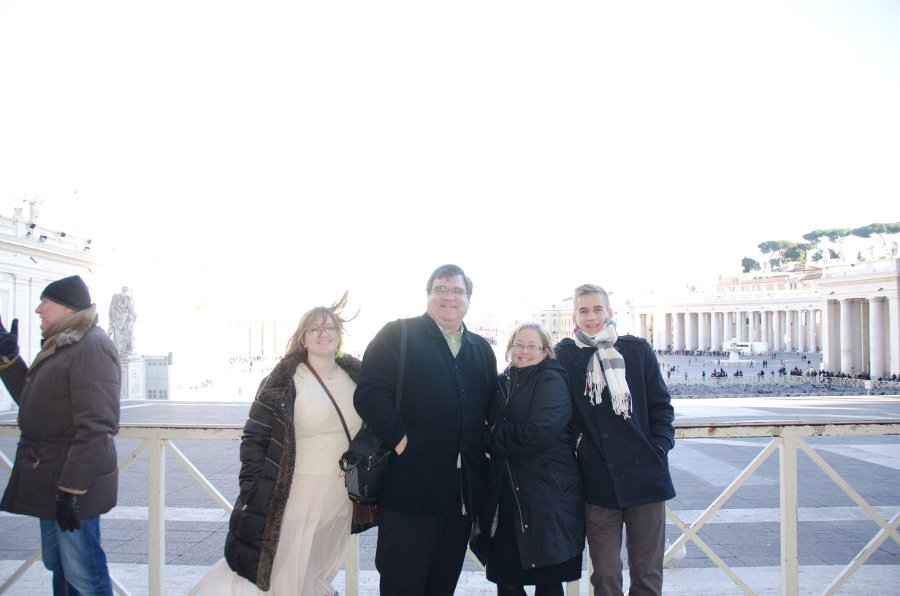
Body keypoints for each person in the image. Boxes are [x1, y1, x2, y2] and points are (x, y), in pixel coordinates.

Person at [192, 293, 362, 595]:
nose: (322, 334)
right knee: (283, 570)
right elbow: (254, 438)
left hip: (339, 495)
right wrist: (250, 490)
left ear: (339, 334)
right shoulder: (284, 381)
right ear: (303, 338)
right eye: (314, 329)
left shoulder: (356, 376)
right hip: (296, 492)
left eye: (329, 327)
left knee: (317, 570)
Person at [353, 264, 498, 596]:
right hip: (411, 489)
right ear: (428, 295)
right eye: (441, 289)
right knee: (402, 583)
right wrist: (402, 442)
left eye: (457, 290)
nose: (449, 297)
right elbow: (370, 394)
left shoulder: (480, 349)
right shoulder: (398, 334)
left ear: (469, 299)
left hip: (460, 497)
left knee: (442, 585)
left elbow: (490, 409)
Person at [0, 275, 121, 595]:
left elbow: (97, 427)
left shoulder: (91, 347)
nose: (39, 310)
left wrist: (71, 490)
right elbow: (36, 404)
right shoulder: (65, 343)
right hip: (53, 477)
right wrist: (9, 360)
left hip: (71, 483)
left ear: (68, 308)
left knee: (84, 574)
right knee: (62, 567)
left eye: (46, 302)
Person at [554, 284, 676, 596]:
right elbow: (556, 412)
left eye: (597, 309)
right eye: (583, 310)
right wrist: (579, 446)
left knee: (647, 574)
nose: (591, 317)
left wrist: (659, 447)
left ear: (610, 312)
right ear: (575, 316)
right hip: (597, 479)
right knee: (605, 575)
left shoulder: (637, 350)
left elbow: (661, 406)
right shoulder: (565, 356)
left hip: (646, 476)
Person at [479, 322, 584, 596]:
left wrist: (490, 435)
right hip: (507, 496)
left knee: (547, 582)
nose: (524, 351)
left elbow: (537, 433)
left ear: (545, 351)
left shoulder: (552, 380)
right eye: (519, 345)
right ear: (510, 348)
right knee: (507, 580)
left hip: (546, 496)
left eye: (532, 346)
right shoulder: (502, 382)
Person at [108, 286, 137, 355]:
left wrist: (111, 317)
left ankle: (118, 350)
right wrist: (135, 316)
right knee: (126, 336)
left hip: (117, 318)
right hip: (125, 319)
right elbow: (131, 309)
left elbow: (111, 308)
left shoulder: (115, 296)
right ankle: (124, 351)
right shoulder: (128, 298)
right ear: (127, 290)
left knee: (117, 336)